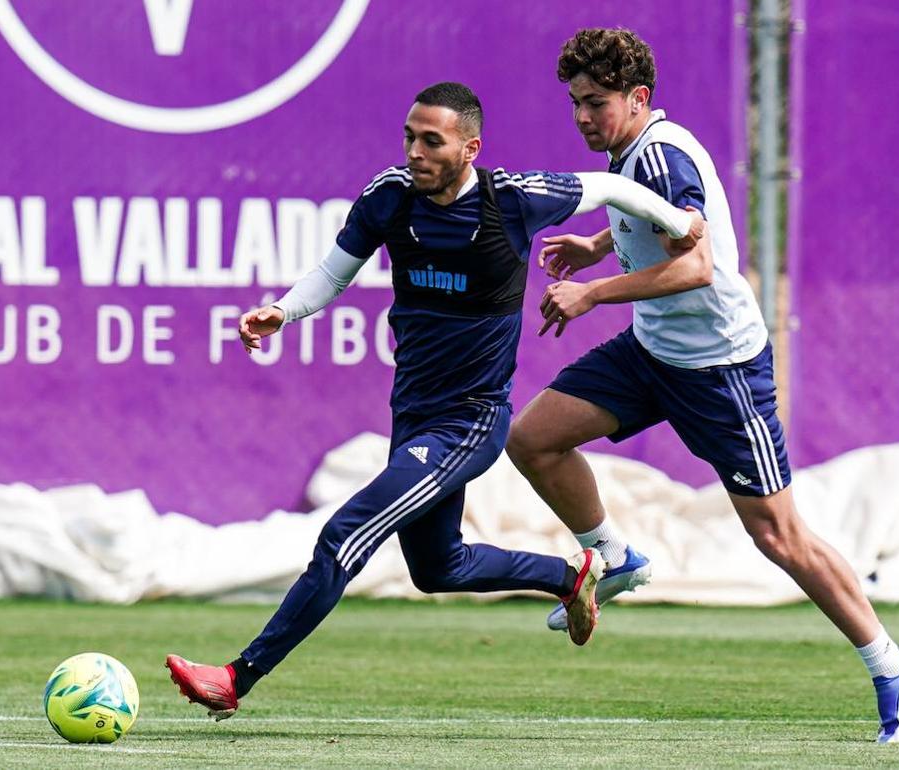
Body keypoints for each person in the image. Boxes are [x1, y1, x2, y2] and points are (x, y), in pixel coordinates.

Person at [165, 81, 707, 719]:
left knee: (344, 534)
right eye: (408, 137)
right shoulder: (390, 196)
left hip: (470, 422)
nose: (414, 152)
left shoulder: (513, 201)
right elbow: (334, 273)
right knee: (438, 568)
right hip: (415, 415)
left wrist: (680, 223)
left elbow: (612, 187)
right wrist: (282, 311)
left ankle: (236, 677)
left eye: (431, 140)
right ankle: (569, 577)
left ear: (471, 147)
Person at [504, 29, 899, 744]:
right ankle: (613, 556)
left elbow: (695, 267)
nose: (582, 116)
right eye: (575, 102)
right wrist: (597, 242)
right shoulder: (635, 151)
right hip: (653, 352)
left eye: (596, 103)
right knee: (535, 439)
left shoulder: (662, 156)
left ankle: (891, 664)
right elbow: (657, 220)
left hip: (719, 370)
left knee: (779, 536)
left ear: (638, 99)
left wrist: (594, 290)